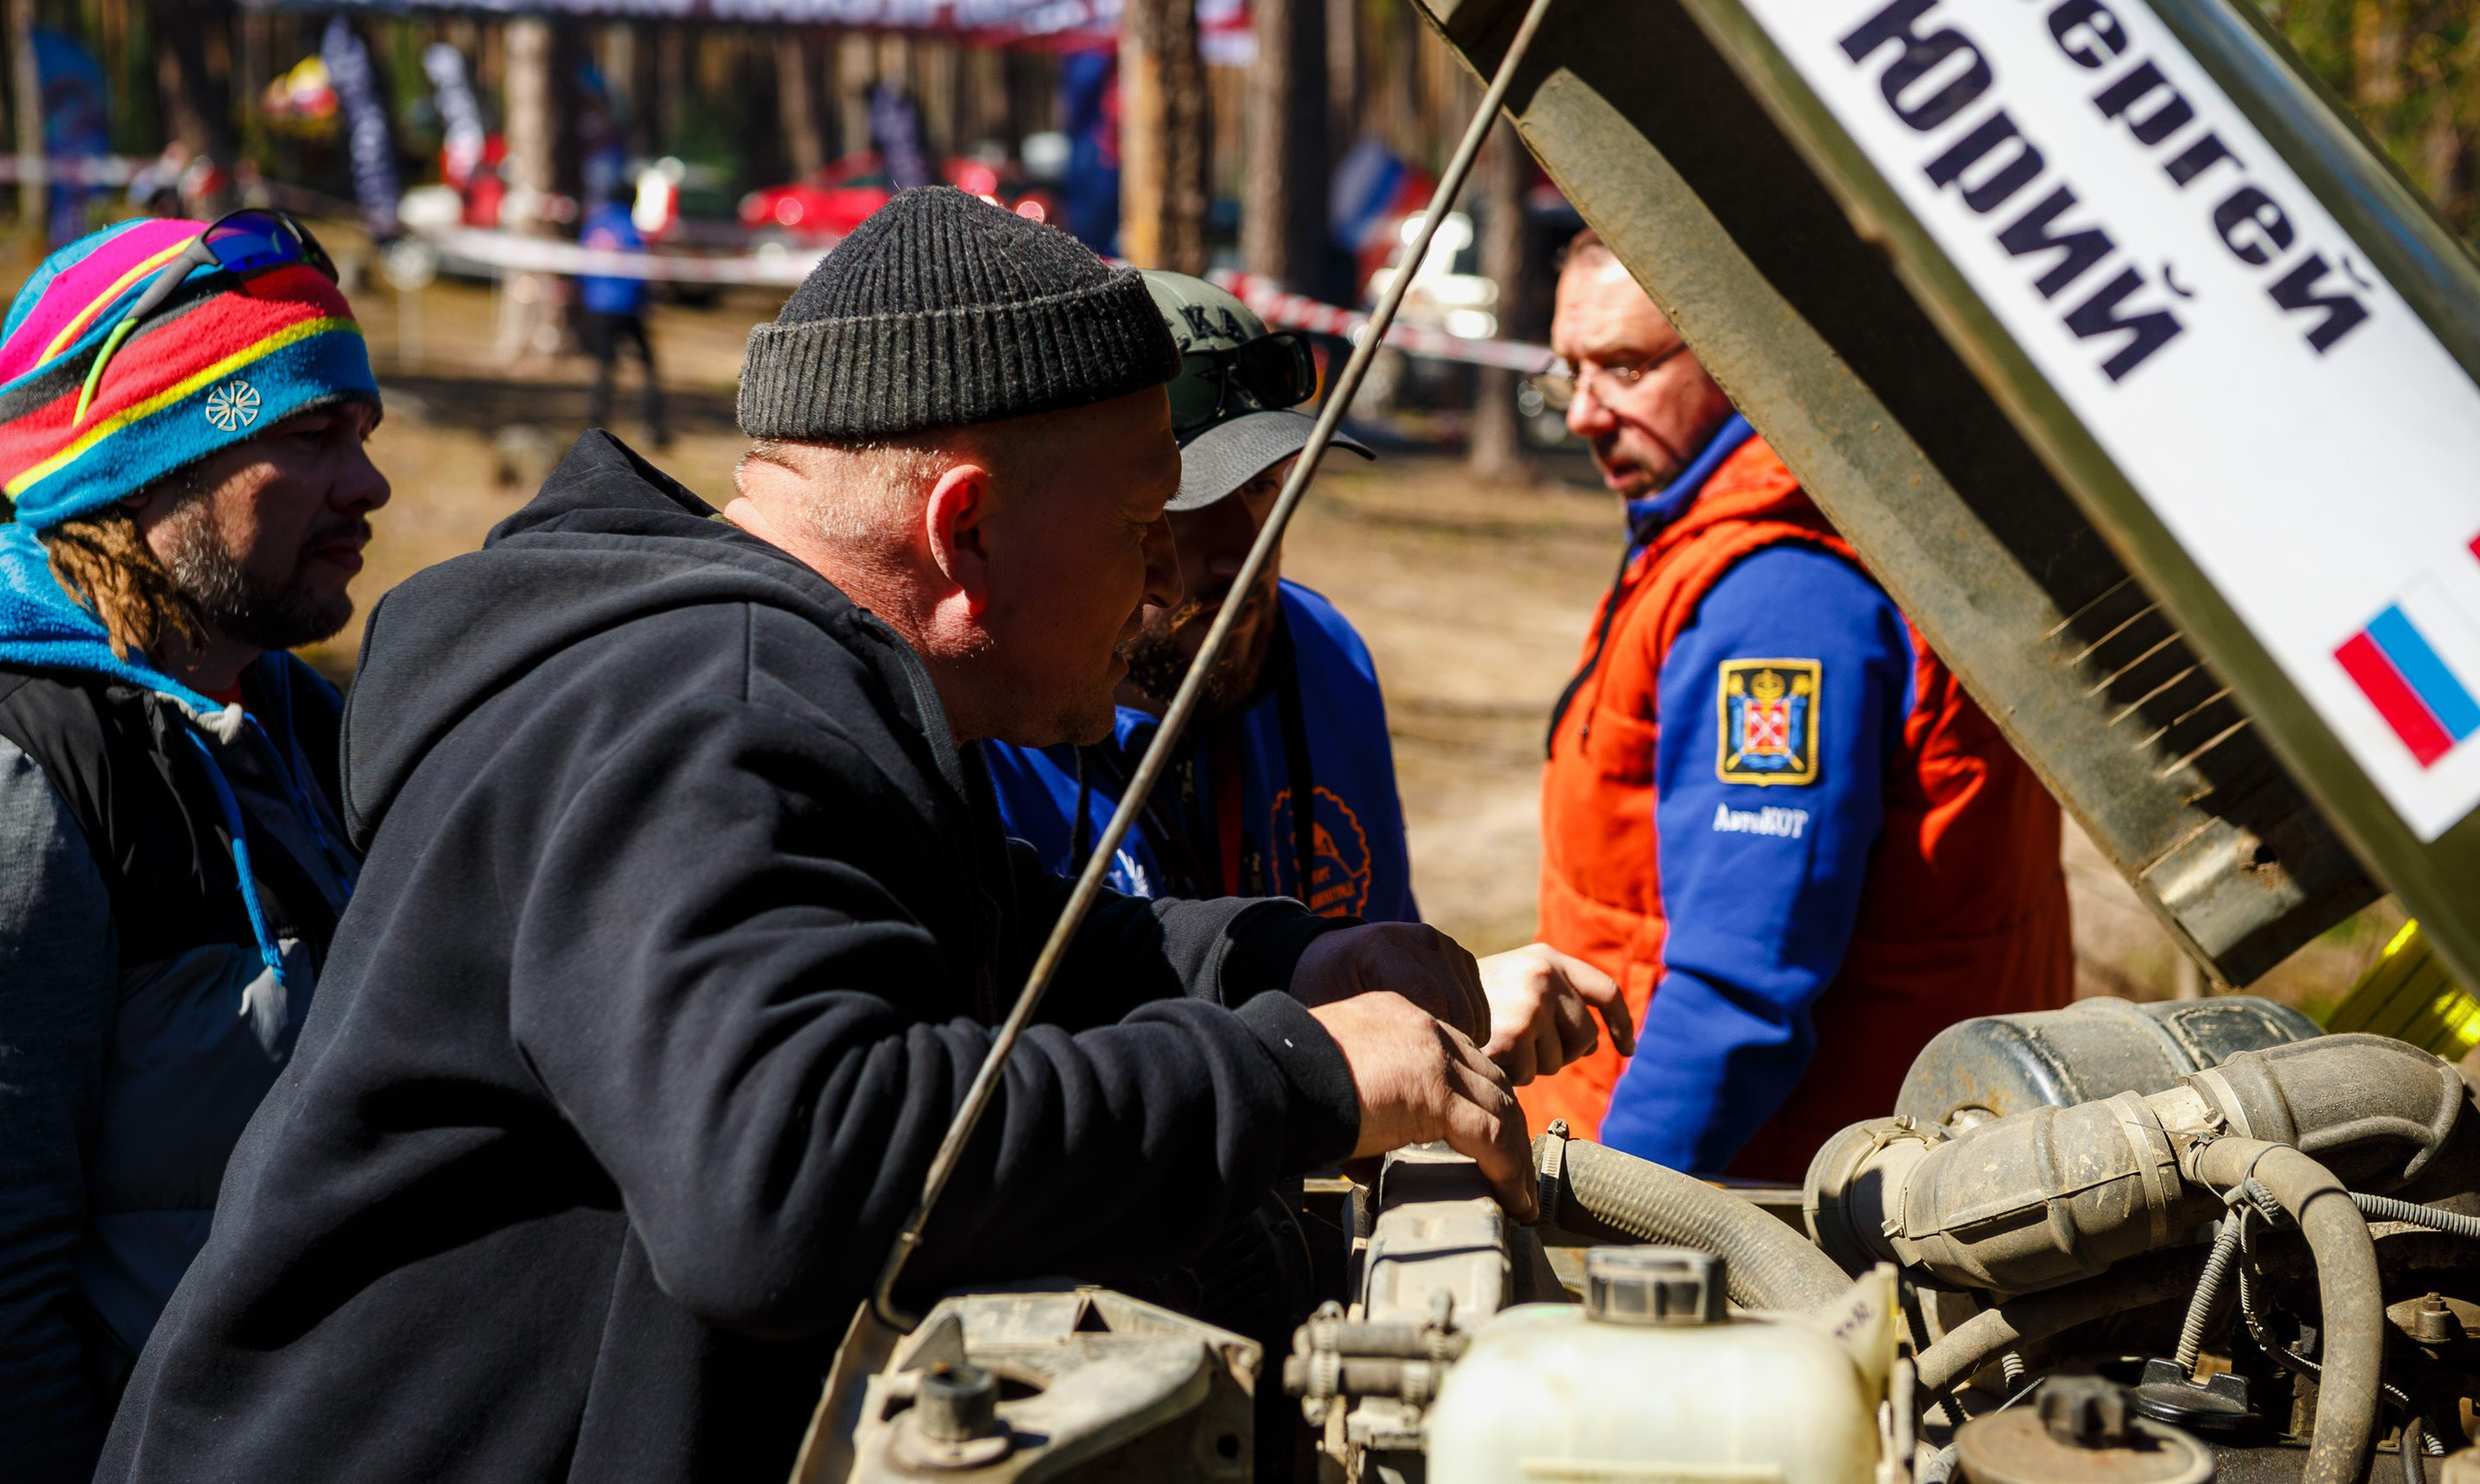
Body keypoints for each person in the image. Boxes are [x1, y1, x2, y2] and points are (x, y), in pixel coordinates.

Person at [99, 188, 1600, 1484]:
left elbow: (1026, 934)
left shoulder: (773, 689)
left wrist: (1298, 951)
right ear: (962, 534)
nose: (1163, 586)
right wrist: (1301, 1074)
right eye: (1141, 523)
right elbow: (785, 1169)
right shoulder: (715, 713)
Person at [1519, 231, 2073, 1181]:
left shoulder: (1780, 598)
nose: (1581, 412)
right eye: (1566, 370)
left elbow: (1739, 992)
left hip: (1751, 1203)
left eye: (1621, 367)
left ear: (1737, 352)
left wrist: (1605, 1214)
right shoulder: (1746, 532)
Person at [988, 270, 1629, 1086]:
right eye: (1180, 500)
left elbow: (1382, 969)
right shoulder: (991, 719)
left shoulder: (1324, 653)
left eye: (1262, 487)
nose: (1242, 549)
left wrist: (1446, 1005)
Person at [0, 213, 388, 1483]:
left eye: (364, 433)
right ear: (146, 469)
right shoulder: (34, 772)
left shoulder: (301, 724)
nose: (369, 485)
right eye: (310, 433)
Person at [576, 194, 666, 447]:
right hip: (628, 307)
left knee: (603, 367)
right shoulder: (631, 227)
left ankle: (595, 426)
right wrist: (649, 298)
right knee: (648, 369)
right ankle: (653, 428)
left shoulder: (595, 223)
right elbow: (642, 270)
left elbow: (581, 264)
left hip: (598, 307)